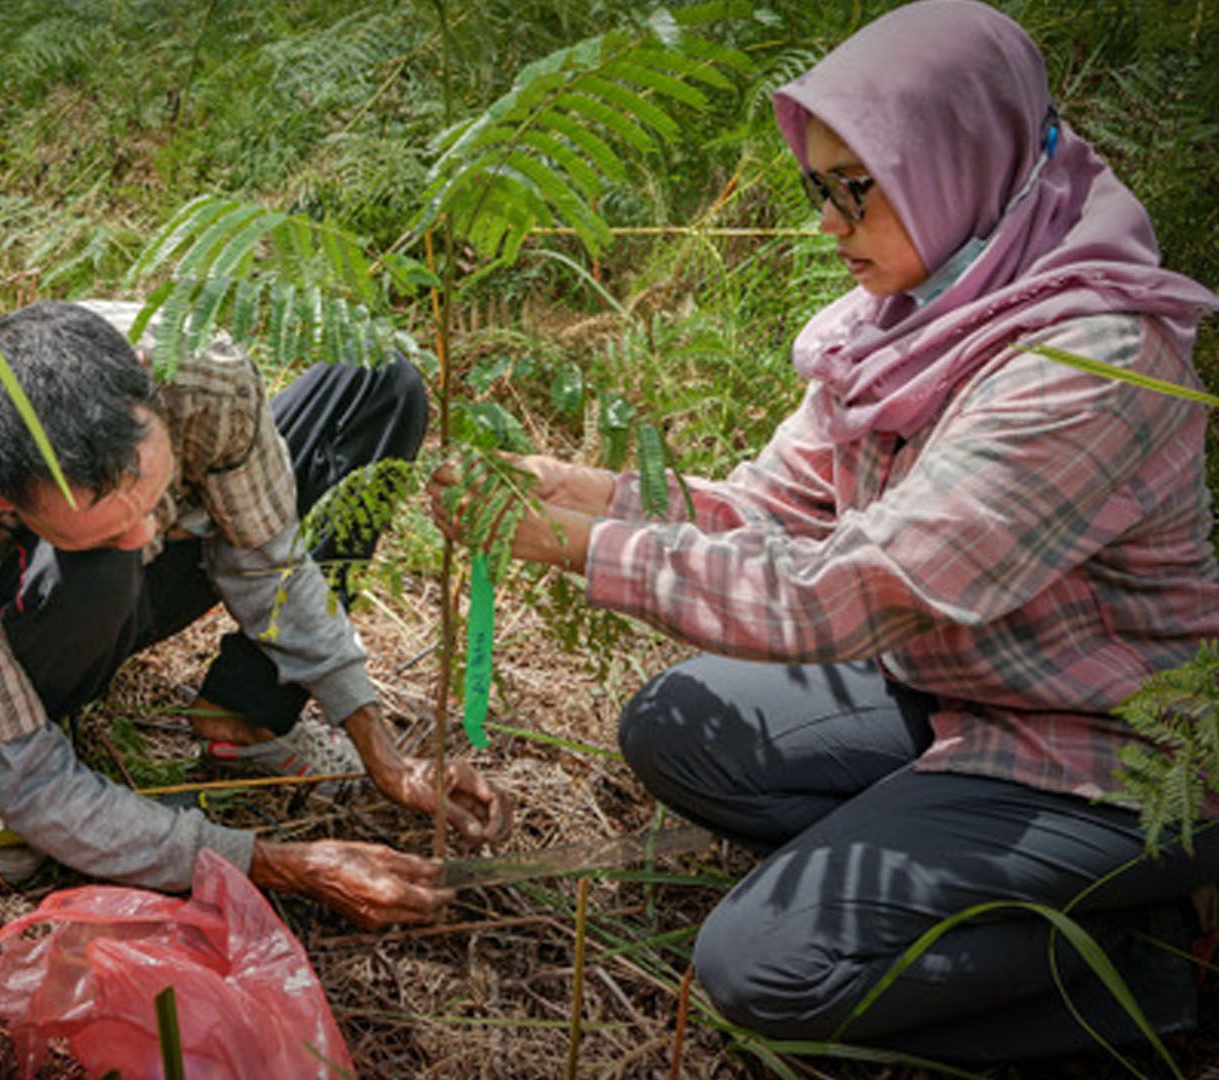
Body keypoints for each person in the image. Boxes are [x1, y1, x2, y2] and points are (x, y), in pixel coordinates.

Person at [429, 0, 1219, 1064]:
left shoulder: (1086, 366)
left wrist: (576, 546)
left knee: (763, 972)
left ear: (960, 164)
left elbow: (851, 590)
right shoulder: (917, 311)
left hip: (1101, 756)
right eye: (820, 185)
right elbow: (775, 509)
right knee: (681, 722)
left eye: (859, 190)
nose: (827, 223)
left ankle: (1150, 972)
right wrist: (579, 489)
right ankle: (955, 879)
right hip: (954, 685)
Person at [0, 298, 512, 928]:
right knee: (103, 573)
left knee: (379, 381)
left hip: (115, 535)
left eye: (151, 497)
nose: (147, 540)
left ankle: (248, 718)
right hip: (47, 615)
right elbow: (36, 785)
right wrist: (281, 864)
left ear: (148, 382)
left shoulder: (199, 373)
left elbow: (265, 559)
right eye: (109, 527)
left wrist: (384, 752)